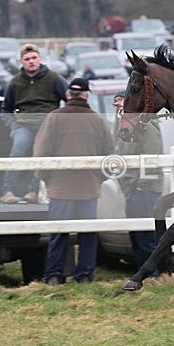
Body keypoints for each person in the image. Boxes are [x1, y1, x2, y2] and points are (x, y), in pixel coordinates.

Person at [33, 77, 116, 284]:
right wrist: (98, 179)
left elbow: (41, 154)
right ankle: (85, 275)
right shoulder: (99, 120)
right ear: (87, 95)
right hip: (89, 188)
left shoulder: (54, 118)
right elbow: (110, 156)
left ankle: (54, 274)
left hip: (60, 189)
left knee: (58, 235)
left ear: (68, 94)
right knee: (88, 236)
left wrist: (48, 180)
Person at [0, 43, 68, 204]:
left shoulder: (54, 78)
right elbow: (5, 108)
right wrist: (12, 124)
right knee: (19, 149)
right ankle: (7, 190)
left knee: (41, 154)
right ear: (21, 62)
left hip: (47, 125)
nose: (31, 61)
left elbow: (70, 101)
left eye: (34, 58)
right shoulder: (15, 82)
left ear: (40, 58)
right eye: (27, 59)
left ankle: (33, 191)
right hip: (22, 124)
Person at [113, 90, 164, 273]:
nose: (117, 106)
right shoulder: (126, 127)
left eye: (120, 102)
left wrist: (141, 186)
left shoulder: (147, 128)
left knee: (145, 236)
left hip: (144, 190)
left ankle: (152, 274)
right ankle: (144, 271)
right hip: (133, 189)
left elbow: (152, 157)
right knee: (136, 234)